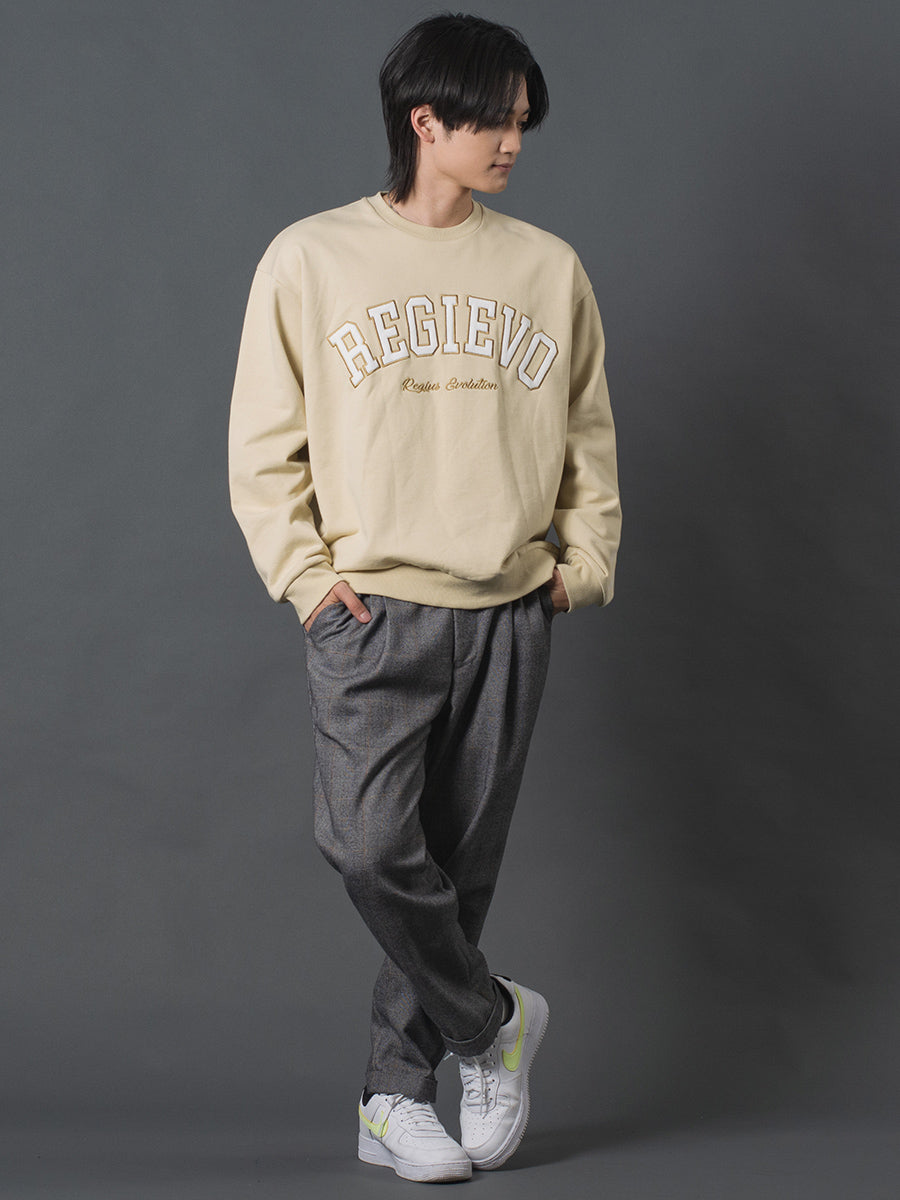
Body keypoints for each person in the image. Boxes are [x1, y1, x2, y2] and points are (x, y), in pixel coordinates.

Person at [228, 11, 621, 1184]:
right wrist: (307, 581)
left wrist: (583, 564)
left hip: (510, 607)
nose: (514, 140)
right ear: (426, 120)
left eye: (523, 120)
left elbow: (588, 436)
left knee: (458, 866)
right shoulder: (312, 259)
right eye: (495, 118)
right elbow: (263, 447)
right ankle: (491, 1020)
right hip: (369, 614)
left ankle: (393, 1100)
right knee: (370, 850)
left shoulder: (546, 268)